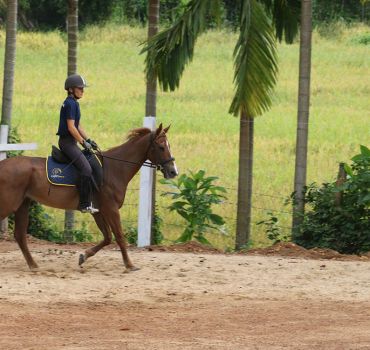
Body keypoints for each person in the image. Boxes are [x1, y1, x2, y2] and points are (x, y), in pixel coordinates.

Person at [56, 74, 99, 214]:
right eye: (80, 88)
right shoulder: (69, 104)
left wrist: (89, 140)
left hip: (72, 142)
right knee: (86, 169)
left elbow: (78, 125)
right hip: (67, 143)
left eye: (82, 88)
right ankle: (84, 204)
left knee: (90, 160)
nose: (83, 91)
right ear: (71, 89)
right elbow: (71, 127)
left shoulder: (74, 103)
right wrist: (82, 143)